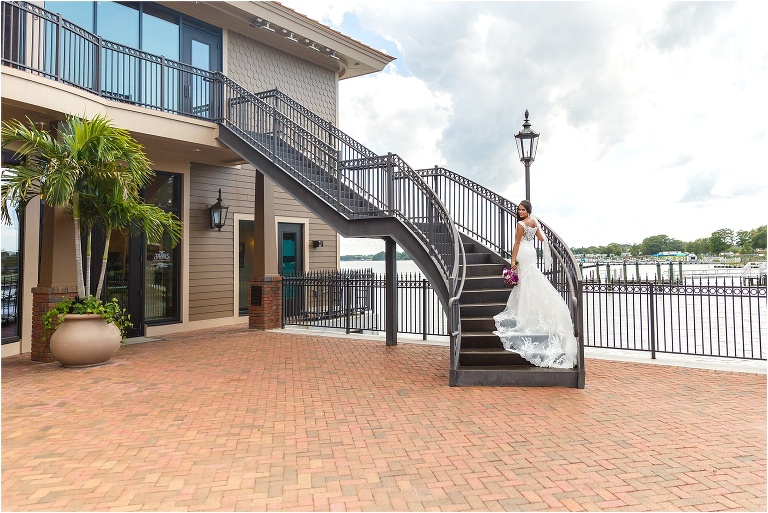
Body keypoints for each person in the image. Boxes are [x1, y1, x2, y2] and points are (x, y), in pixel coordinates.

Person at [493, 200, 577, 368]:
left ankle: (524, 313)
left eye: (523, 209)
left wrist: (513, 261)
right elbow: (541, 239)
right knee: (531, 279)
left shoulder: (520, 224)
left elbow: (516, 243)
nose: (520, 211)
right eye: (519, 209)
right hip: (531, 251)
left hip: (523, 251)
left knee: (525, 282)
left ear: (528, 210)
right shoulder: (534, 222)